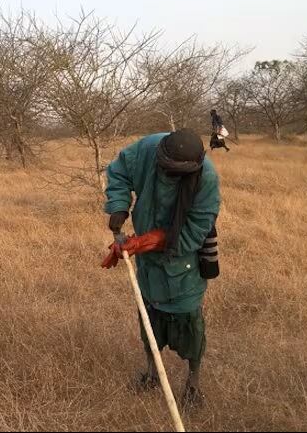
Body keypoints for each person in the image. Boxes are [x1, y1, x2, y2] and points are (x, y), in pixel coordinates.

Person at [100, 129, 221, 407]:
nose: (168, 175)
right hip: (148, 264)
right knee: (149, 317)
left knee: (189, 324)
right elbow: (118, 171)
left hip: (183, 262)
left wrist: (149, 240)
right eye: (165, 169)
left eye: (176, 173)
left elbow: (194, 232)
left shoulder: (207, 179)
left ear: (192, 168)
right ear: (160, 155)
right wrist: (119, 205)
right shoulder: (147, 148)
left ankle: (193, 384)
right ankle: (152, 373)